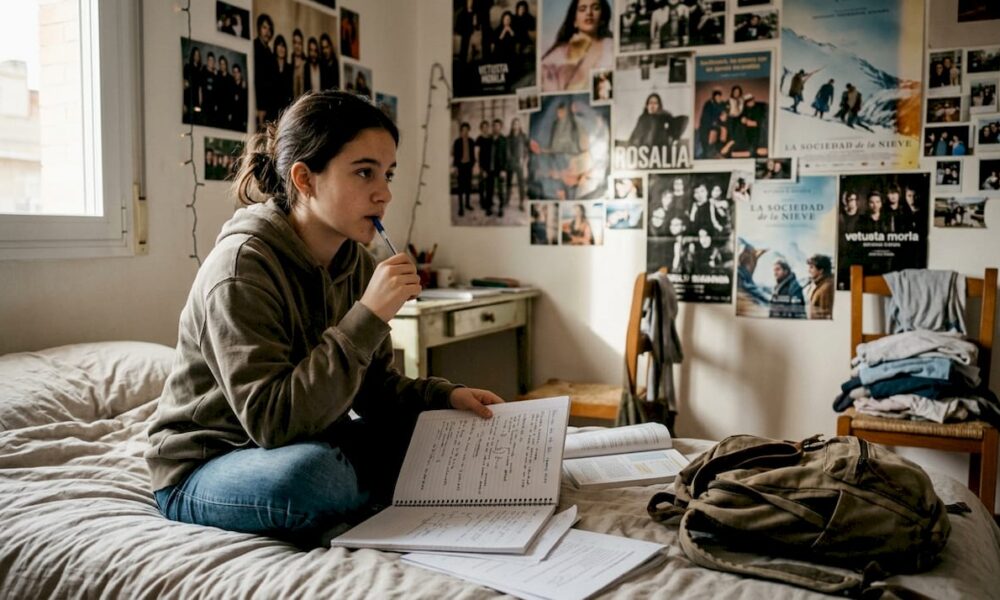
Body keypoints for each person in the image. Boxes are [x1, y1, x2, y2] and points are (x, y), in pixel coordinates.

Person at [145, 91, 503, 547]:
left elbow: (373, 391)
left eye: (388, 174)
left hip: (309, 439)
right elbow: (272, 422)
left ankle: (366, 488)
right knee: (311, 476)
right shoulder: (240, 268)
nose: (385, 192)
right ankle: (365, 489)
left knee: (442, 436)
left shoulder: (353, 261)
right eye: (364, 172)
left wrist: (444, 396)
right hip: (211, 463)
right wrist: (369, 315)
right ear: (305, 179)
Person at [540, 0, 614, 92]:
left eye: (595, 8)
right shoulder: (557, 55)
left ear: (602, 19)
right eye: (582, 9)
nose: (589, 13)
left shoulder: (611, 47)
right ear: (574, 21)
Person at [253, 14, 275, 129]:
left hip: (268, 106)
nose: (267, 31)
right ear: (259, 29)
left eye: (269, 28)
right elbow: (258, 79)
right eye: (264, 27)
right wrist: (260, 107)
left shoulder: (270, 52)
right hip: (259, 106)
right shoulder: (254, 47)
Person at [452, 122, 475, 217]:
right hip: (461, 167)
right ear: (461, 131)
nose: (465, 132)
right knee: (461, 188)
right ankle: (461, 208)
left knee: (468, 187)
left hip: (469, 167)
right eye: (463, 130)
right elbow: (455, 156)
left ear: (468, 131)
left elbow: (473, 155)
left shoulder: (471, 141)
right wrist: (456, 168)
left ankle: (467, 204)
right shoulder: (457, 142)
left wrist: (472, 164)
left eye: (467, 130)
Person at [506, 118, 529, 210]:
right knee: (508, 183)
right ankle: (507, 200)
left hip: (520, 163)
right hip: (510, 163)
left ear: (520, 125)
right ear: (512, 126)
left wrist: (524, 159)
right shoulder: (508, 137)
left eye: (517, 124)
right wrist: (509, 160)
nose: (516, 126)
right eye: (514, 124)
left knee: (521, 184)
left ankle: (521, 202)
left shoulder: (523, 136)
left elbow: (527, 149)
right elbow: (507, 150)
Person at [803, 254, 834, 320]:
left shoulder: (826, 288)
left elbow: (825, 315)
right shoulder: (817, 284)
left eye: (811, 267)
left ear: (821, 270)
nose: (809, 270)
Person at [489, 119, 508, 216]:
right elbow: (484, 156)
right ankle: (490, 208)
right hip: (490, 169)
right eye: (494, 126)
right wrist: (484, 168)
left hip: (500, 169)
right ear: (492, 127)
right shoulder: (489, 139)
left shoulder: (504, 140)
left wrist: (504, 170)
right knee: (490, 189)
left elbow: (506, 156)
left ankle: (501, 208)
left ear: (500, 127)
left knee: (501, 190)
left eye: (498, 126)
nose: (496, 128)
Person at [271, 36, 294, 118]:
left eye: (283, 46)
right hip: (272, 107)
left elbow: (290, 91)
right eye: (279, 45)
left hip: (285, 109)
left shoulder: (289, 68)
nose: (282, 48)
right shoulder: (271, 66)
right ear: (275, 48)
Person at [475, 120, 494, 213]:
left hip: (490, 166)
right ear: (481, 128)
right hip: (482, 165)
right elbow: (477, 153)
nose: (485, 129)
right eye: (484, 127)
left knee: (490, 185)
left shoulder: (491, 138)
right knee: (482, 185)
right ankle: (483, 202)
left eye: (487, 127)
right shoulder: (479, 139)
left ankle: (489, 202)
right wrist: (479, 166)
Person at [291, 29, 306, 99]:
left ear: (302, 45)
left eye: (299, 43)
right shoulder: (289, 65)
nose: (297, 46)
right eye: (295, 42)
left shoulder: (306, 64)